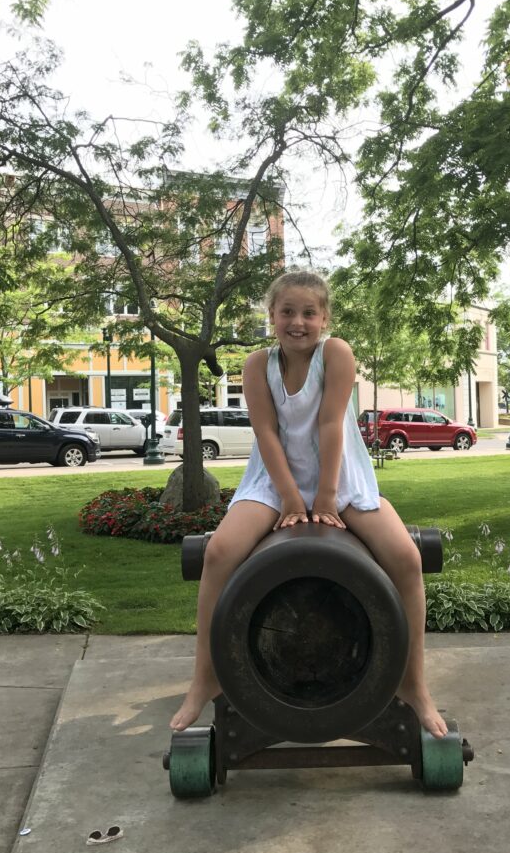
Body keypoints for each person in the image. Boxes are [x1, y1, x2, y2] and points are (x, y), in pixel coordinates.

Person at [170, 270, 448, 739]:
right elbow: (266, 433)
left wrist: (323, 496)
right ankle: (205, 678)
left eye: (308, 313)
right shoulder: (257, 365)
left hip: (340, 479)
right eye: (286, 313)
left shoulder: (335, 355)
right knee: (217, 552)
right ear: (272, 317)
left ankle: (413, 683)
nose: (297, 322)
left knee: (406, 558)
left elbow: (329, 425)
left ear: (325, 319)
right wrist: (290, 497)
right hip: (272, 481)